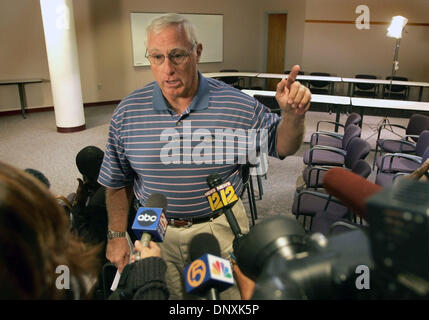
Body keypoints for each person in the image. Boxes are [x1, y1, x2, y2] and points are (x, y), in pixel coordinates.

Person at [98, 13, 311, 299]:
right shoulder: (127, 112)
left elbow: (282, 146)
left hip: (220, 230)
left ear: (197, 52)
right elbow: (116, 181)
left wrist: (293, 117)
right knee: (170, 297)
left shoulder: (238, 106)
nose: (167, 69)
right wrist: (115, 237)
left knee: (224, 300)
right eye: (157, 57)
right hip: (156, 235)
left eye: (177, 55)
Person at [0, 160, 168, 300]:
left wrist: (122, 290)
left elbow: (65, 289)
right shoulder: (57, 268)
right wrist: (149, 278)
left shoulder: (60, 270)